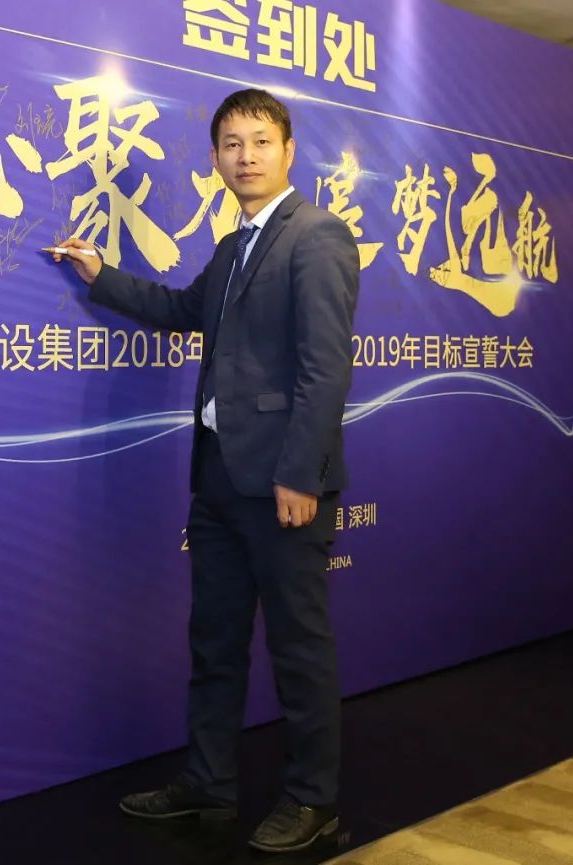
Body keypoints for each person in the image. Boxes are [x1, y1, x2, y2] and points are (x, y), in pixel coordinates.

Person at [53, 88, 359, 854]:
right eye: (231, 144)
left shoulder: (316, 236)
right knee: (214, 643)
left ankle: (314, 798)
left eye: (260, 141)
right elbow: (182, 310)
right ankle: (209, 783)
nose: (245, 156)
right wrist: (100, 274)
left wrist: (301, 474)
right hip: (220, 478)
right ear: (217, 157)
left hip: (284, 486)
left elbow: (325, 370)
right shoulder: (233, 246)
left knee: (298, 649)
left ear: (289, 151)